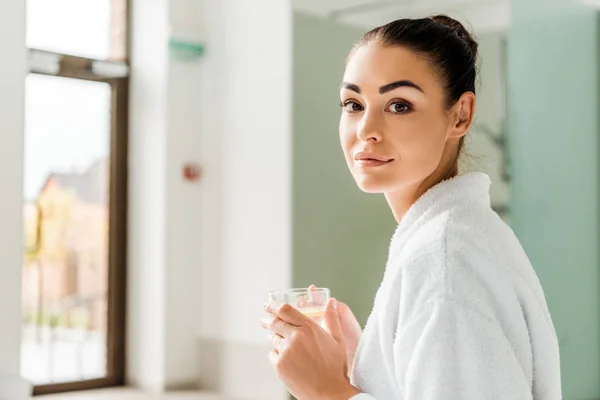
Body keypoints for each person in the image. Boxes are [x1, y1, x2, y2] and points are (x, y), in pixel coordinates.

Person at [260, 15, 562, 400]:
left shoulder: (446, 261)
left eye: (399, 105)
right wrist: (363, 359)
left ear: (461, 115)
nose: (366, 129)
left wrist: (327, 391)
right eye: (353, 103)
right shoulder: (457, 235)